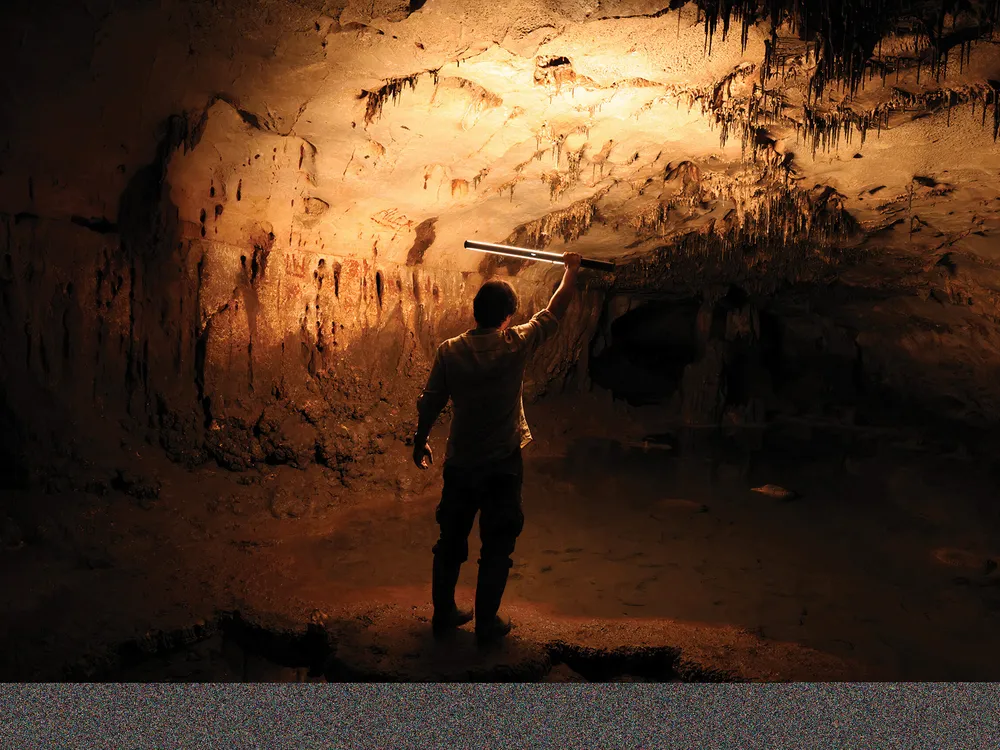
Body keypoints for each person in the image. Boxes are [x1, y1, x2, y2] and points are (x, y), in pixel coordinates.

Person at [413, 252, 583, 645]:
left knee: (451, 540)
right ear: (508, 316)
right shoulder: (515, 344)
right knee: (498, 544)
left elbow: (431, 400)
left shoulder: (449, 350)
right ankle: (486, 622)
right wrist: (571, 270)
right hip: (502, 464)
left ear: (475, 312)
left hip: (461, 462)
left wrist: (420, 439)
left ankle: (443, 613)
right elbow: (555, 309)